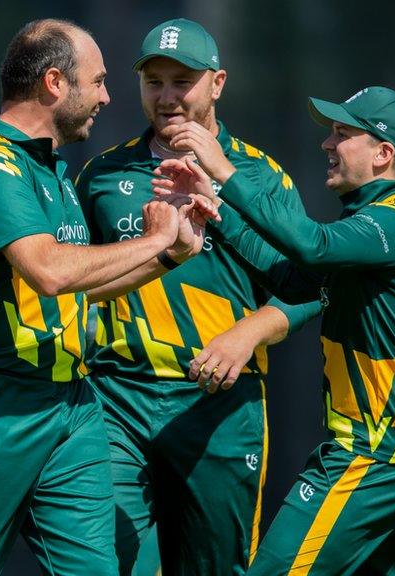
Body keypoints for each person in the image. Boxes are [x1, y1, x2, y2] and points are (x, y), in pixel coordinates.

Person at [0, 18, 218, 576]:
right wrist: (152, 239)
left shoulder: (51, 170)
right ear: (55, 83)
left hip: (70, 406)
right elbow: (48, 271)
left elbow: (82, 288)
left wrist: (169, 256)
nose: (106, 95)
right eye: (97, 81)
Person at [73, 19, 321, 575]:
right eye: (153, 81)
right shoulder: (102, 174)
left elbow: (311, 288)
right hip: (118, 397)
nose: (166, 98)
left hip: (220, 408)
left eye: (182, 81)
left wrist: (248, 333)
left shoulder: (259, 174)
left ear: (218, 83)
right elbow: (70, 274)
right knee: (110, 563)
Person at [156, 86, 395, 574]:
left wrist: (223, 170)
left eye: (343, 134)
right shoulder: (380, 226)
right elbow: (293, 276)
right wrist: (217, 208)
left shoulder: (392, 226)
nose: (327, 145)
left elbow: (312, 246)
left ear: (383, 154)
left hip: (372, 455)